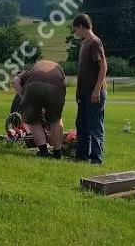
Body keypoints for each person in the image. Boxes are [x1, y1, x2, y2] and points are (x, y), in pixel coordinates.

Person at [72, 13, 108, 165]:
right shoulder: (84, 44)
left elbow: (103, 67)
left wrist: (96, 90)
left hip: (94, 93)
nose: (76, 33)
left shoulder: (94, 42)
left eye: (76, 29)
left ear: (81, 26)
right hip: (84, 93)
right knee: (81, 125)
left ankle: (96, 159)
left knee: (94, 126)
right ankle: (81, 156)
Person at [12, 60, 66, 159]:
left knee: (33, 121)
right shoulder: (58, 68)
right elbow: (63, 83)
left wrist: (23, 96)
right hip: (56, 87)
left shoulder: (31, 69)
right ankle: (57, 152)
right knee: (56, 120)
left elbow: (15, 81)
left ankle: (43, 151)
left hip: (33, 86)